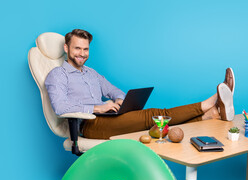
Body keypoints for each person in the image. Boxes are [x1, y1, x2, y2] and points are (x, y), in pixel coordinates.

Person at [45, 29, 235, 139]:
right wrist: (99, 108)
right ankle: (209, 102)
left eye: (85, 49)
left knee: (155, 125)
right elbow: (60, 107)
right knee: (153, 116)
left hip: (108, 118)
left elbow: (114, 90)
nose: (82, 53)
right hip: (88, 125)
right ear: (66, 48)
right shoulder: (57, 75)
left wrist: (119, 101)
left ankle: (210, 115)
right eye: (77, 48)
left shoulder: (91, 72)